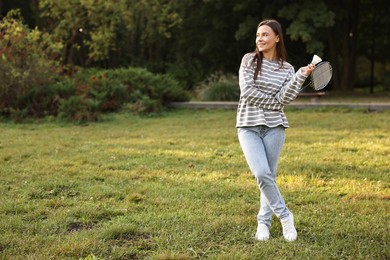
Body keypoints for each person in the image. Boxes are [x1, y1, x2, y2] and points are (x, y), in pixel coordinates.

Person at [236, 19, 315, 242]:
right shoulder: (249, 60)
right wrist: (275, 101)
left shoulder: (287, 69)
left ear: (277, 38)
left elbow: (286, 98)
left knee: (268, 177)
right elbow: (247, 92)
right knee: (261, 173)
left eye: (265, 35)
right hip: (247, 125)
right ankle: (285, 216)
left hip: (275, 127)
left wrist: (300, 76)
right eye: (258, 35)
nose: (259, 38)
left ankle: (263, 224)